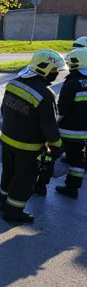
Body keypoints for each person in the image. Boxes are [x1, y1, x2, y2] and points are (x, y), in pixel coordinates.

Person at [0, 49, 67, 223]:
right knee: (24, 179)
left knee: (8, 174)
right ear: (44, 68)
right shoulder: (45, 94)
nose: (57, 74)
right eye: (54, 70)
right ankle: (13, 212)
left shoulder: (13, 83)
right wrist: (57, 146)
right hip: (28, 148)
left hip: (6, 141)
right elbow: (49, 126)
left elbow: (3, 111)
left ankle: (4, 205)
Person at [54, 38, 87, 199]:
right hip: (83, 133)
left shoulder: (72, 83)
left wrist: (53, 123)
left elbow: (61, 110)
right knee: (77, 162)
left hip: (67, 131)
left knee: (49, 155)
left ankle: (39, 185)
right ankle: (72, 188)